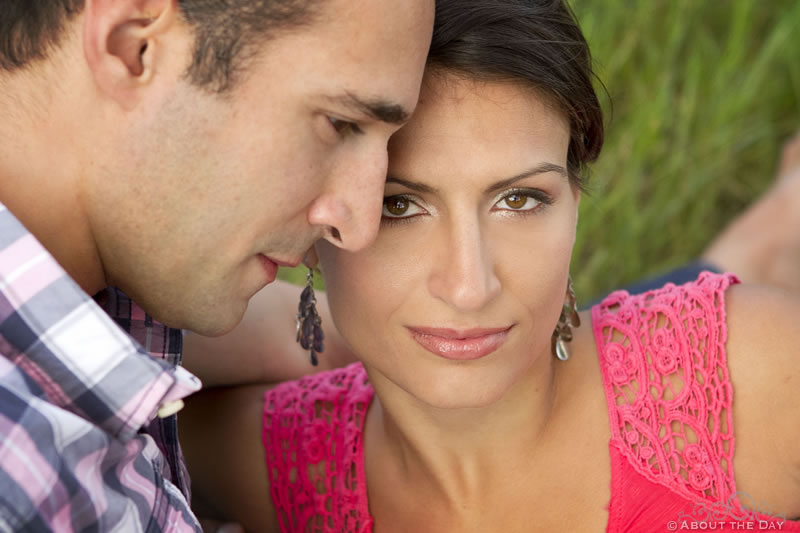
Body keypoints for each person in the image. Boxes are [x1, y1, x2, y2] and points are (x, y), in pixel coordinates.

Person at [179, 0, 800, 531]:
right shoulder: (274, 464)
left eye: (520, 200)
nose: (470, 287)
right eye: (400, 205)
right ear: (313, 215)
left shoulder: (756, 374)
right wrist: (309, 337)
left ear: (575, 203)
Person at [0, 0, 434, 530]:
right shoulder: (24, 483)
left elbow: (296, 337)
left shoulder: (112, 284)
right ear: (134, 47)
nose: (360, 227)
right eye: (340, 123)